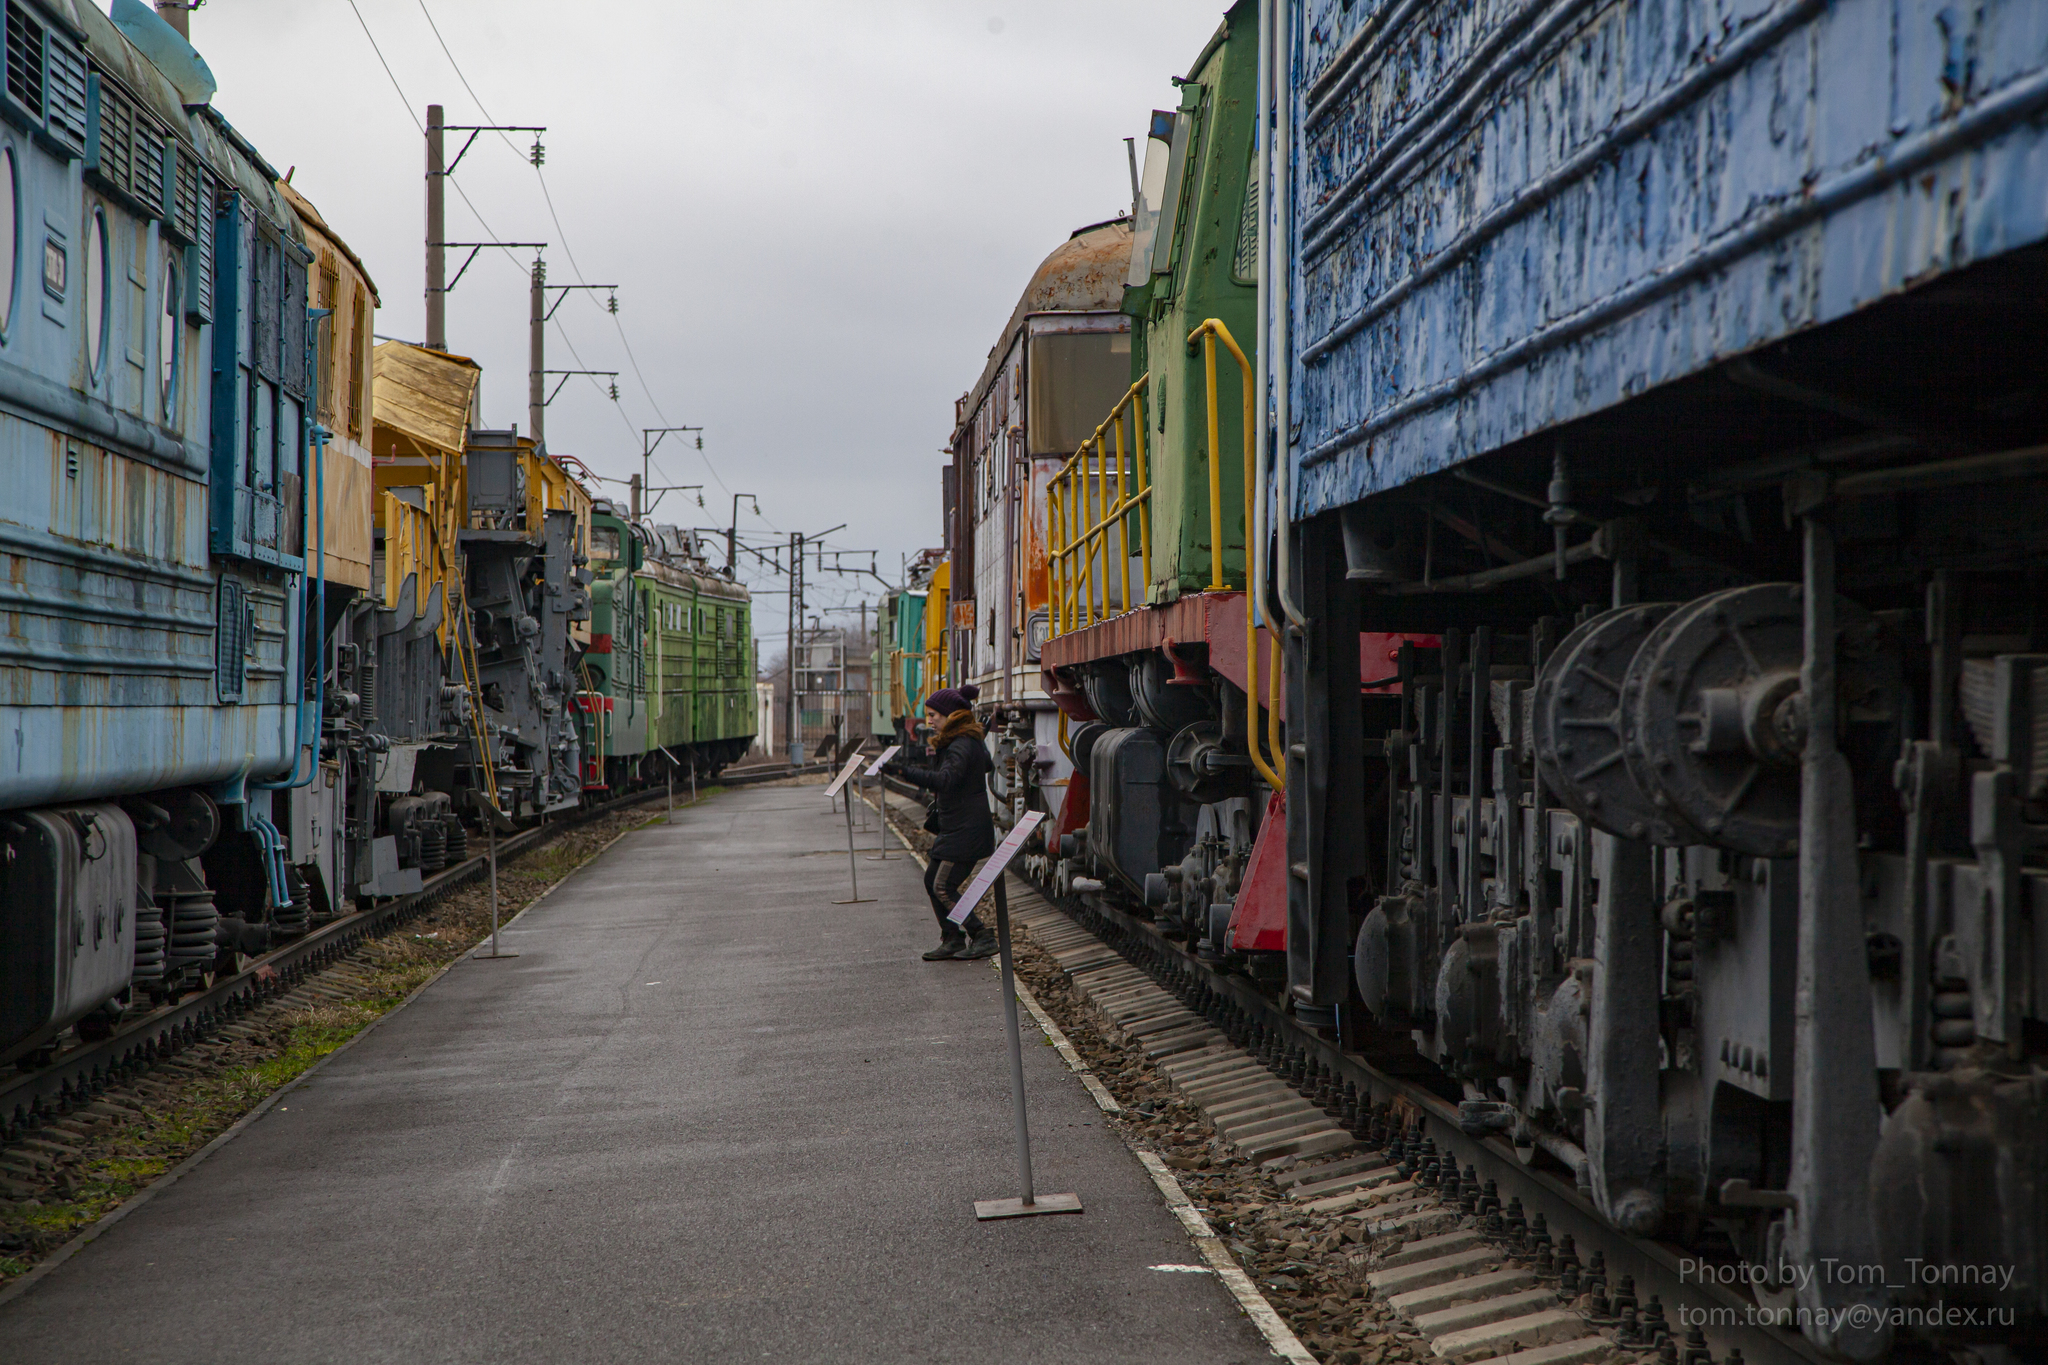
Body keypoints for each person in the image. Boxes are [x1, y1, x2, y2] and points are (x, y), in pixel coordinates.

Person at [885, 684, 997, 961]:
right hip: (959, 827)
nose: (929, 720)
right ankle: (952, 939)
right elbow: (984, 764)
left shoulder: (961, 744)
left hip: (966, 830)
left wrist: (902, 770)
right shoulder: (963, 742)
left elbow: (946, 781)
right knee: (930, 880)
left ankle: (982, 935)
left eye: (934, 714)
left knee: (942, 886)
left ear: (951, 716)